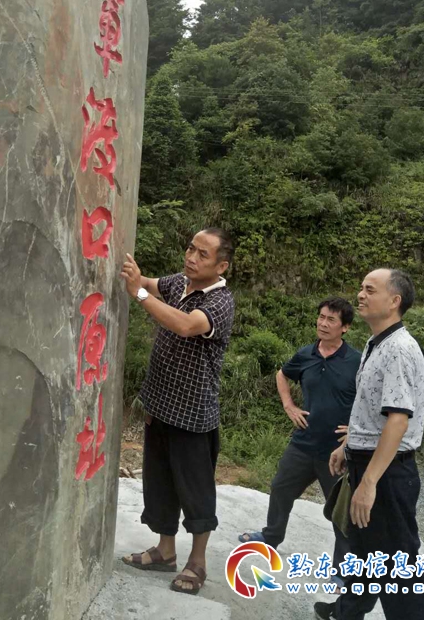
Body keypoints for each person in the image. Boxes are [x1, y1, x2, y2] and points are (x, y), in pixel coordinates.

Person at [314, 269, 424, 620]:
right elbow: (372, 409)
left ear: (394, 301)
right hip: (368, 462)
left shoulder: (398, 349)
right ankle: (346, 611)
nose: (361, 295)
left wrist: (369, 483)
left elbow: (398, 420)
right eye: (361, 288)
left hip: (386, 472)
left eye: (370, 289)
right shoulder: (376, 342)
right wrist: (349, 445)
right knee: (366, 551)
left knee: (399, 566)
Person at [120, 228, 235, 596]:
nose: (191, 257)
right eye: (190, 248)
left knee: (196, 491)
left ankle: (197, 563)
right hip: (160, 406)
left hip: (193, 415)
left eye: (203, 254)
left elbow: (185, 325)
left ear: (221, 266)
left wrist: (138, 293)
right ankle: (165, 551)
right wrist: (133, 276)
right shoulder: (179, 283)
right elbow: (150, 284)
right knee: (160, 483)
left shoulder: (220, 302)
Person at [239, 298, 361, 591]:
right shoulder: (306, 354)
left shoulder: (357, 361)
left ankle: (342, 570)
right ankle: (271, 537)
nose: (323, 323)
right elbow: (282, 374)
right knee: (281, 488)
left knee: (340, 510)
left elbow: (372, 398)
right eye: (321, 317)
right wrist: (288, 405)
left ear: (345, 327)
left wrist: (357, 431)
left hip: (336, 451)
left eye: (331, 320)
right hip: (303, 443)